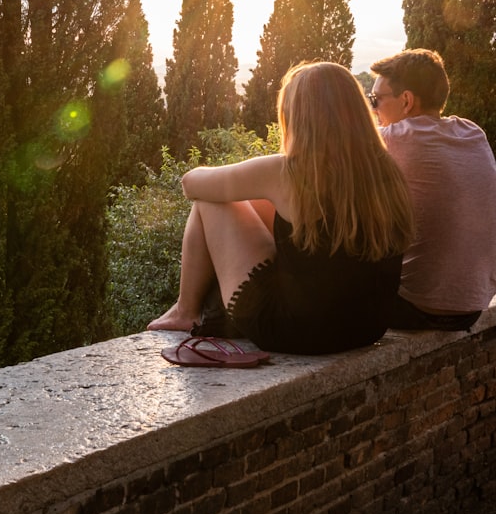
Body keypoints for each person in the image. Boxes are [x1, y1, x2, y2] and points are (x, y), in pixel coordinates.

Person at [146, 62, 414, 354]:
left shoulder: (289, 172)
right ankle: (188, 310)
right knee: (257, 201)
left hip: (295, 331)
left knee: (212, 201)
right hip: (364, 328)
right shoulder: (386, 171)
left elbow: (191, 184)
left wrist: (249, 178)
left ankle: (185, 311)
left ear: (298, 116)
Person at [369, 49, 496, 331]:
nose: (373, 109)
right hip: (473, 306)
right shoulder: (472, 133)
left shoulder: (394, 138)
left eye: (375, 100)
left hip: (414, 308)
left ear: (406, 100)